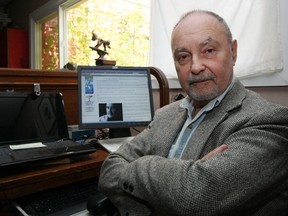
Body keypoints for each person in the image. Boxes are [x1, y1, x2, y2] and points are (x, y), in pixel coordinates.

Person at [98, 10, 288, 215]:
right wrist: (183, 177)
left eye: (208, 50)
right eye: (183, 57)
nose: (196, 67)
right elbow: (109, 170)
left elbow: (197, 197)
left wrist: (141, 166)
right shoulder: (165, 115)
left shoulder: (270, 121)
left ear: (233, 52)